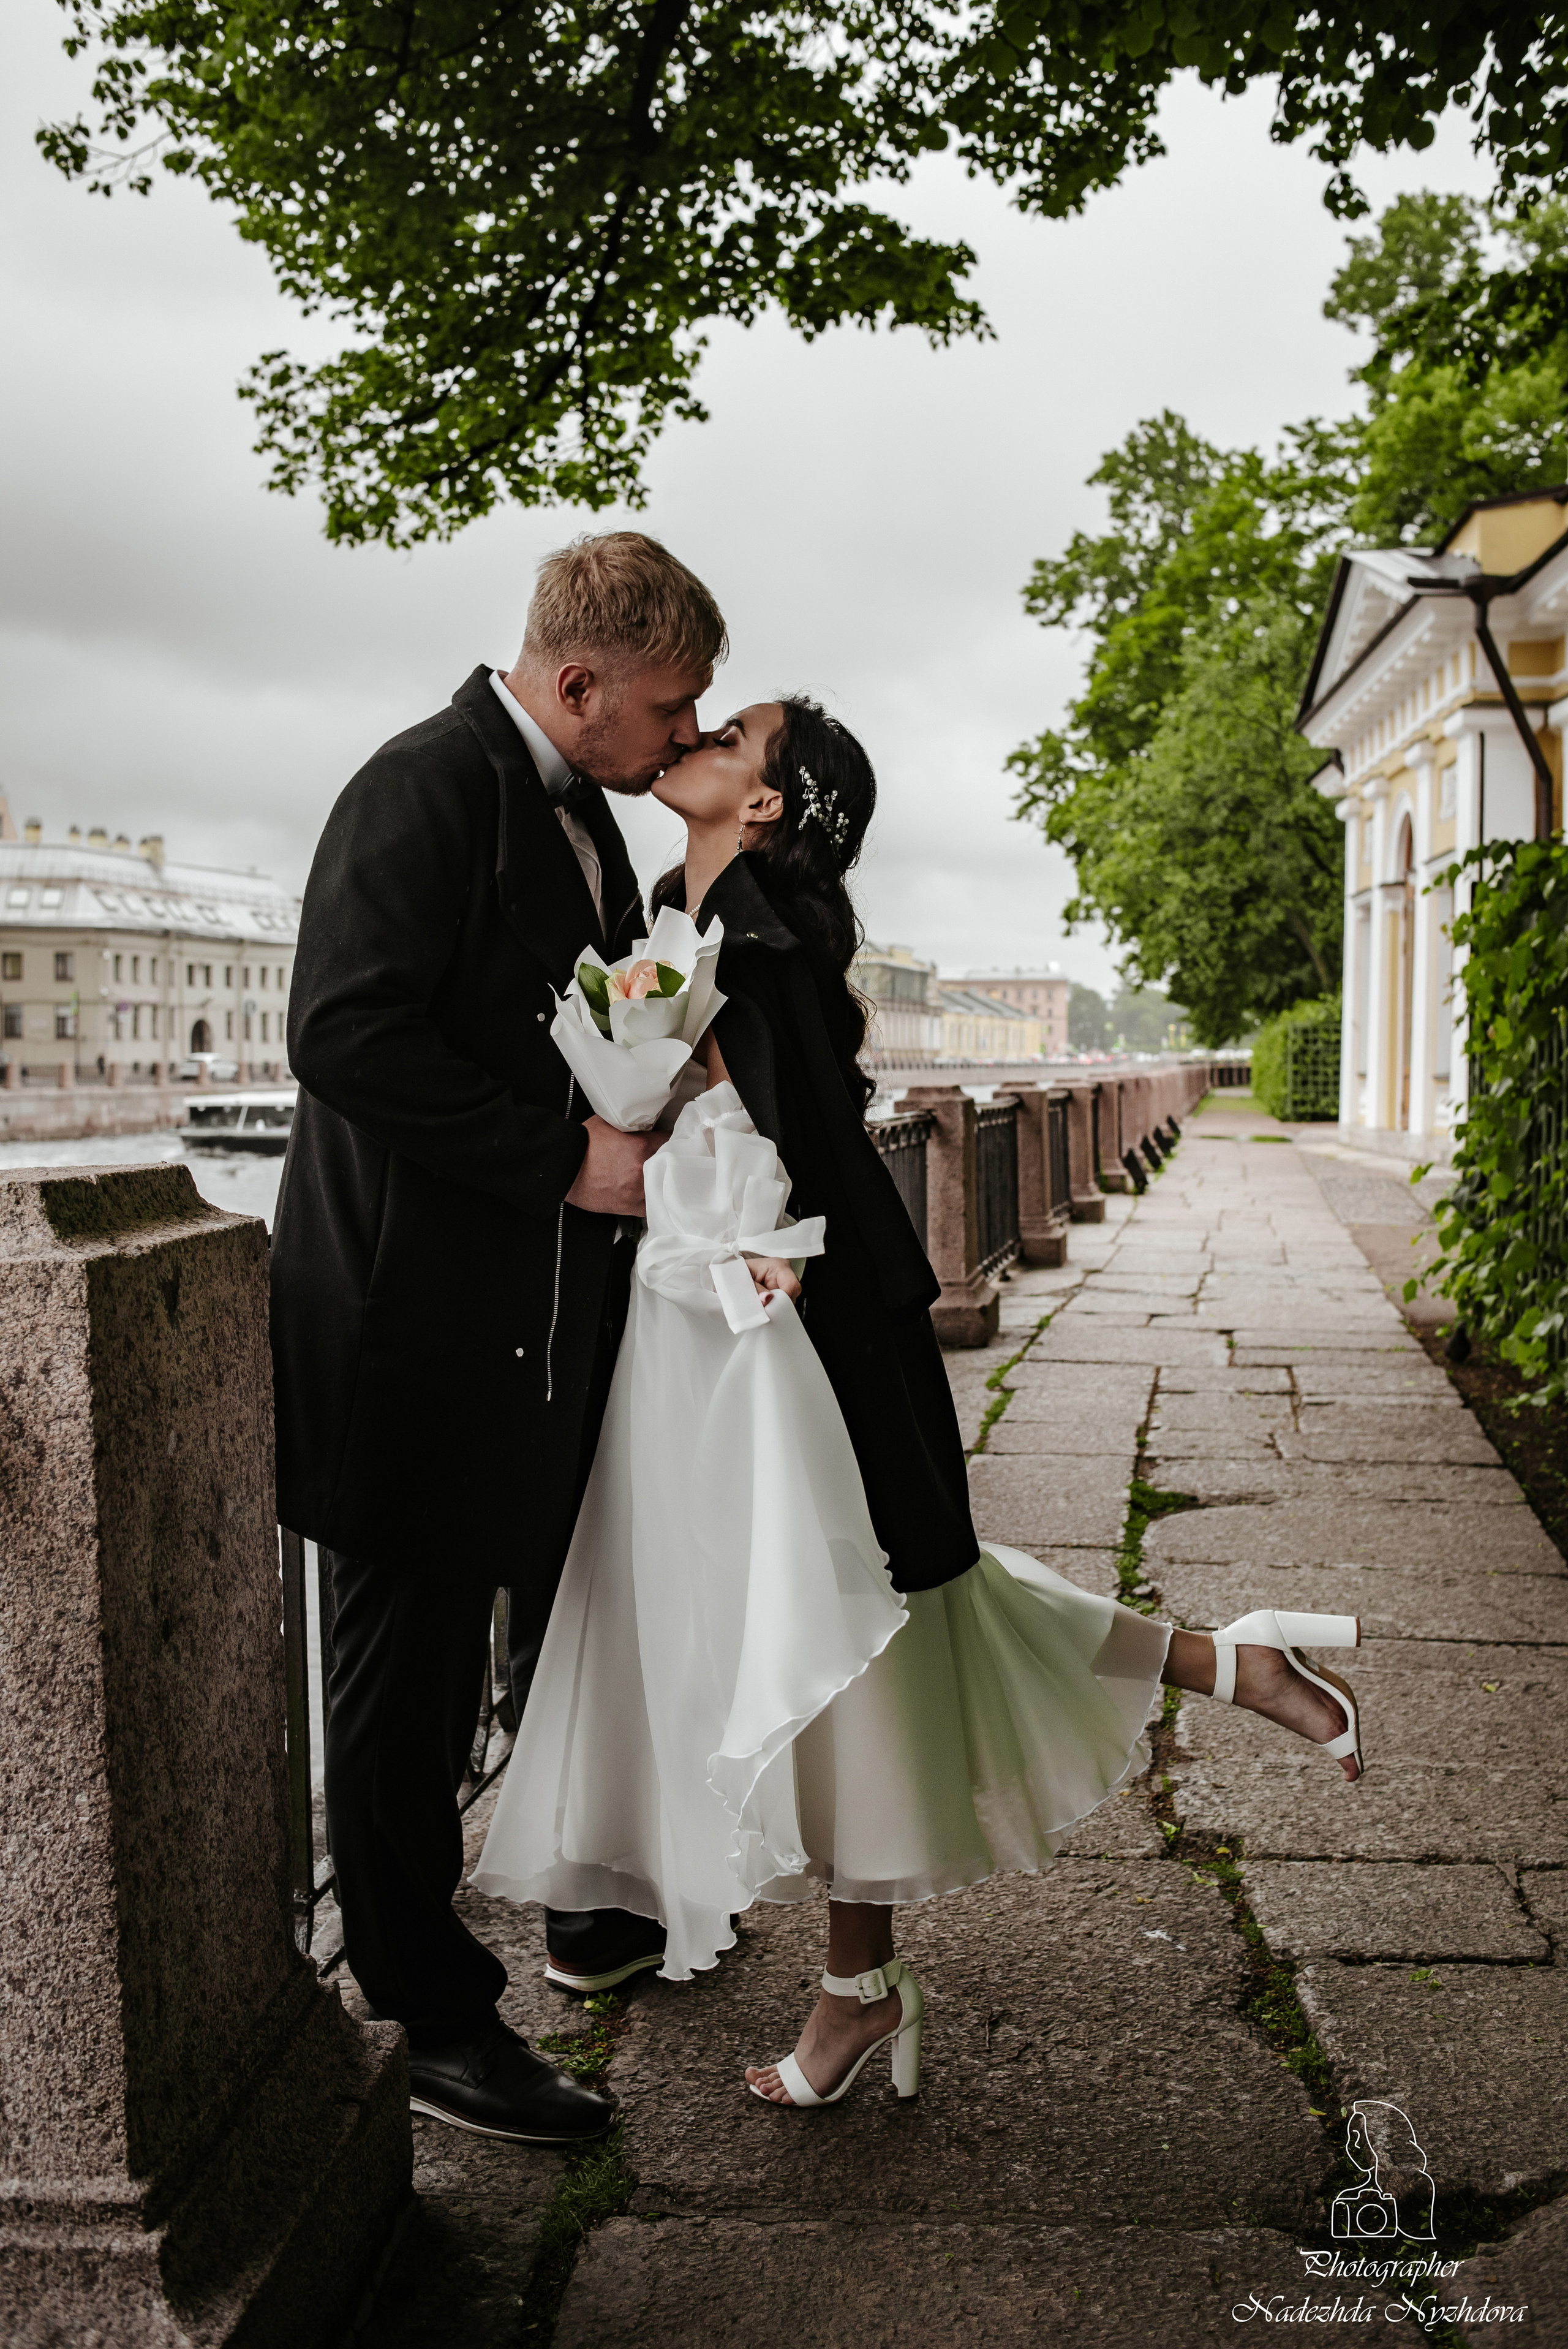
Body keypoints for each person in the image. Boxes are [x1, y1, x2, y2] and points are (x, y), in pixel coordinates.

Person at [472, 695, 1366, 2108]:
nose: (698, 736)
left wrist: (757, 1234)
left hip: (788, 1329)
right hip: (711, 1327)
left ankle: (853, 1991)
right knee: (869, 1623)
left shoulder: (759, 948)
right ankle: (1220, 1666)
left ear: (760, 807)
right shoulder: (694, 930)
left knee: (865, 1638)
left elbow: (803, 1146)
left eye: (731, 736)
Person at [270, 531, 729, 2144]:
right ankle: (426, 2012)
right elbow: (338, 1029)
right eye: (670, 707)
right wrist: (565, 1157)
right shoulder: (421, 786)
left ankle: (585, 1904)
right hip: (403, 1337)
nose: (684, 736)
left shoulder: (590, 822)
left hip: (524, 1336)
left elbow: (574, 1029)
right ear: (578, 680)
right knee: (400, 1705)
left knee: (561, 1628)